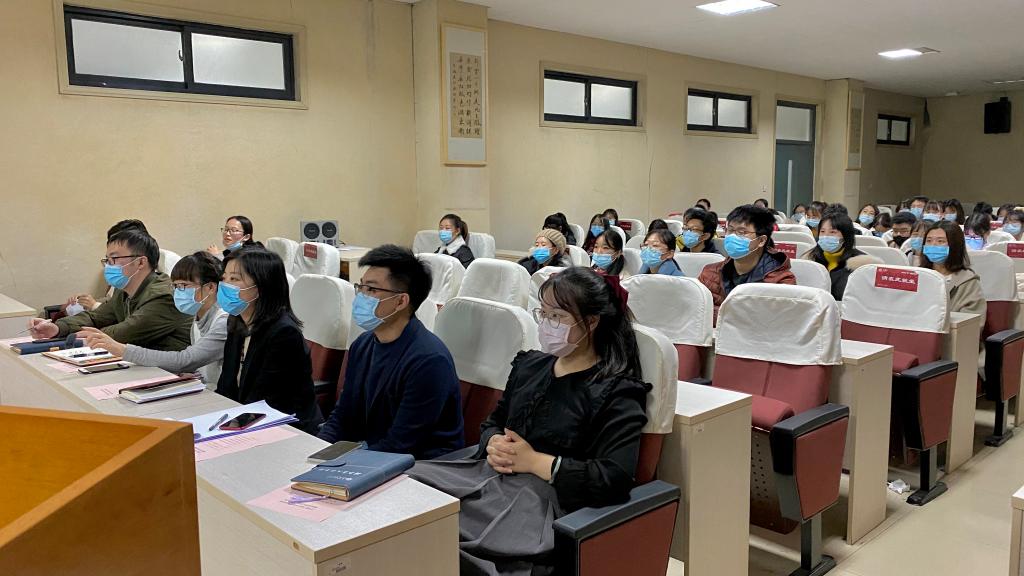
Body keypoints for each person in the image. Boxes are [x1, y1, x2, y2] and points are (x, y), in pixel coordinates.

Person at [407, 267, 651, 575]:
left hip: (541, 499)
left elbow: (613, 476)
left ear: (591, 322)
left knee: (459, 549)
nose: (546, 324)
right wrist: (493, 442)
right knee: (405, 488)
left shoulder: (616, 390)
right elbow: (494, 421)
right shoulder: (530, 365)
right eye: (543, 313)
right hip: (490, 475)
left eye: (557, 316)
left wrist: (536, 462)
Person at [319, 245, 463, 458]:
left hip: (419, 464)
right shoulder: (362, 345)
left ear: (401, 301)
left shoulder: (429, 360)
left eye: (371, 289)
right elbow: (342, 415)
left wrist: (344, 461)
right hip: (373, 450)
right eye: (361, 287)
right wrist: (316, 450)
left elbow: (401, 443)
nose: (361, 296)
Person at [216, 247, 323, 433]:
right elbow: (226, 386)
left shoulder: (284, 333)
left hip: (286, 428)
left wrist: (227, 428)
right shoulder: (237, 323)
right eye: (224, 278)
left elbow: (269, 401)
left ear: (261, 286)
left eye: (234, 279)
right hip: (246, 421)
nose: (225, 285)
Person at [80, 251, 229, 384]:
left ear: (210, 287)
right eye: (175, 286)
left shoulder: (223, 321)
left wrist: (123, 350)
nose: (178, 292)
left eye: (184, 286)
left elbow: (185, 360)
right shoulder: (197, 318)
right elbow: (200, 366)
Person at [30, 229, 191, 351]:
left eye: (114, 259)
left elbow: (125, 333)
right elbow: (95, 317)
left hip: (174, 373)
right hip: (139, 363)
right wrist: (58, 328)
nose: (108, 266)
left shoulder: (164, 295)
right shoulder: (123, 290)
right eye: (107, 260)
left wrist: (77, 335)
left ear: (141, 262)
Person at [698, 205, 796, 312]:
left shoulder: (781, 281)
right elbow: (698, 313)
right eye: (730, 230)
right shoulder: (709, 273)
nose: (732, 236)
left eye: (742, 232)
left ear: (761, 240)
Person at [66, 219, 150, 313]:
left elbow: (125, 316)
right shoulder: (118, 274)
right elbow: (110, 301)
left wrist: (94, 305)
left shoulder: (151, 287)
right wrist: (81, 302)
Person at [802, 212, 879, 300]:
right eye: (822, 231)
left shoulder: (862, 264)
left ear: (846, 236)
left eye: (832, 232)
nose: (825, 236)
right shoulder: (809, 258)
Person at [921, 221, 986, 317]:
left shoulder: (967, 282)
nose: (933, 245)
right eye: (929, 241)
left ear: (955, 246)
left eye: (940, 241)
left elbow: (972, 322)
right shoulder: (919, 275)